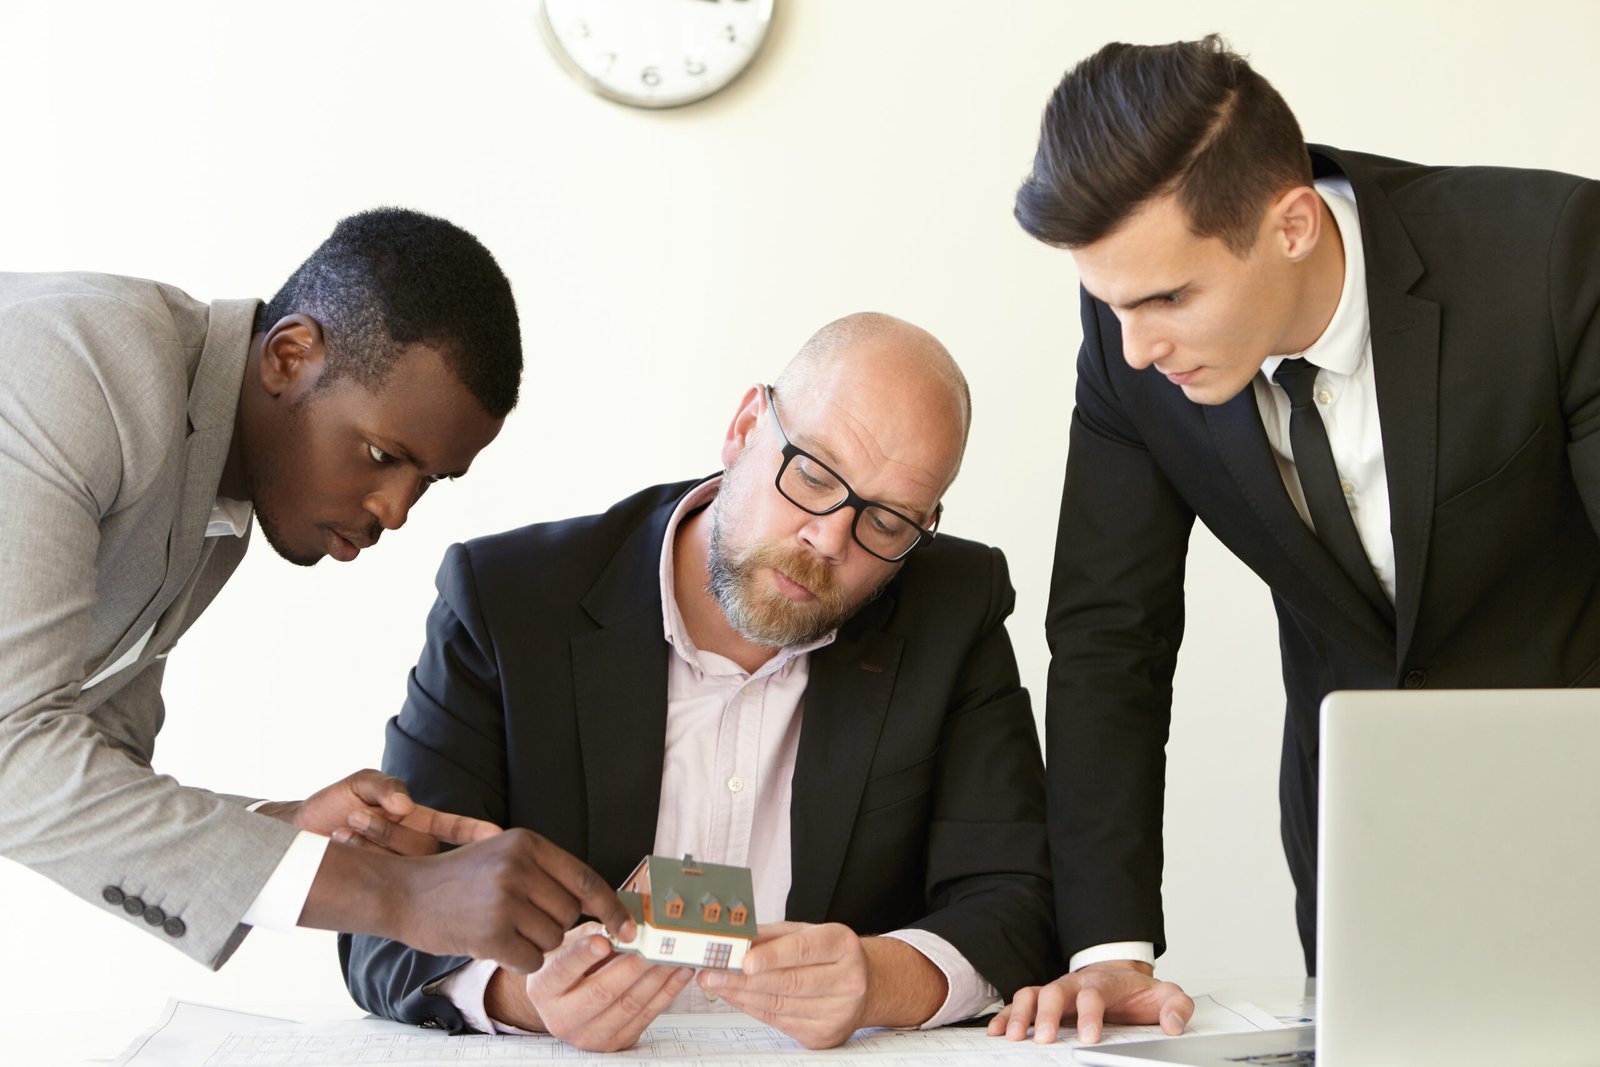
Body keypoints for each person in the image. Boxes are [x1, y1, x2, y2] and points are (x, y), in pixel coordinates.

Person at [993, 35, 1600, 1044]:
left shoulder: (1549, 252)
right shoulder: (1128, 344)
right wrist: (1107, 945)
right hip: (1356, 850)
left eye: (1167, 298)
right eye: (1111, 303)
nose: (1138, 347)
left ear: (1292, 224)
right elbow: (1109, 633)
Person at [341, 312, 1057, 1050]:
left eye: (887, 521)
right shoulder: (504, 603)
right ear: (748, 424)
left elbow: (1019, 900)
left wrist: (881, 977)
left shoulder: (953, 606)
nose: (829, 539)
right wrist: (529, 998)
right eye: (812, 473)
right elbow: (381, 924)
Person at [0, 209, 632, 978]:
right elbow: (14, 754)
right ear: (290, 356)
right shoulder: (80, 369)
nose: (396, 510)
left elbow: (91, 760)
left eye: (426, 480)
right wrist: (398, 893)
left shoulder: (213, 496)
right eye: (380, 453)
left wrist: (291, 830)